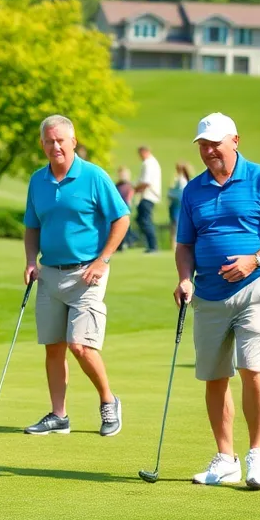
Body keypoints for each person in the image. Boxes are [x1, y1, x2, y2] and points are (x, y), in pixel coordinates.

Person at [175, 113, 260, 489]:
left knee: (251, 366)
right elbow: (185, 244)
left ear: (235, 141)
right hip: (209, 292)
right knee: (214, 376)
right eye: (203, 145)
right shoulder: (193, 190)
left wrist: (255, 260)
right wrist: (184, 278)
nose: (209, 150)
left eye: (215, 143)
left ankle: (256, 455)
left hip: (256, 285)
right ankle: (225, 457)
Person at [22, 115, 130, 436]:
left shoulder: (93, 176)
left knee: (79, 345)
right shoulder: (37, 181)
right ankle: (59, 416)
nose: (55, 146)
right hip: (50, 274)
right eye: (49, 141)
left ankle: (109, 401)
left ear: (73, 141)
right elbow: (32, 226)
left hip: (87, 274)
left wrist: (104, 259)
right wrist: (30, 260)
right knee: (53, 347)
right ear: (42, 145)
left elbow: (121, 218)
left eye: (61, 140)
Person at [133, 145, 163, 253]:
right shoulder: (153, 163)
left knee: (145, 220)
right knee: (141, 219)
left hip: (148, 195)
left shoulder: (148, 163)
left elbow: (146, 182)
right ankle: (149, 244)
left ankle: (152, 245)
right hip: (150, 195)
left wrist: (134, 189)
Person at [167, 161, 191, 248]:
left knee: (175, 223)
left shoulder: (181, 180)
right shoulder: (184, 179)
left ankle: (174, 244)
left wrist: (170, 193)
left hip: (177, 203)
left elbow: (180, 192)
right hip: (179, 203)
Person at [114, 167, 138, 250]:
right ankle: (120, 244)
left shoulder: (130, 185)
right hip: (117, 208)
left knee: (126, 226)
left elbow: (131, 196)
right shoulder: (117, 185)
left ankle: (127, 241)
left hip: (126, 207)